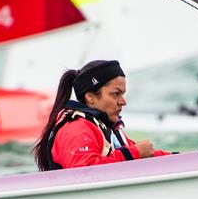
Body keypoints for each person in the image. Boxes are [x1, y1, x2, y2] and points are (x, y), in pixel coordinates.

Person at [33, 60, 170, 171]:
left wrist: (179, 157)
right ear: (90, 97)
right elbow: (83, 171)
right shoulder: (76, 128)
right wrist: (133, 153)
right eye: (115, 94)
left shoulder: (107, 127)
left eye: (123, 94)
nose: (123, 102)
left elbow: (145, 153)